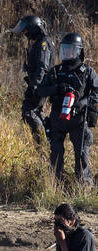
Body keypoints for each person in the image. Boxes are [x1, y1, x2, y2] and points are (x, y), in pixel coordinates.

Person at [35, 33, 97, 185]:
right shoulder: (56, 71)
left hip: (78, 118)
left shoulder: (87, 71)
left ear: (79, 51)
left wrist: (83, 102)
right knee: (56, 154)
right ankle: (55, 187)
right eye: (65, 49)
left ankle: (83, 190)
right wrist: (56, 89)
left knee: (81, 154)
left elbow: (97, 91)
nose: (67, 53)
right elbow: (40, 91)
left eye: (71, 49)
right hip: (57, 117)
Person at [12, 15, 55, 145]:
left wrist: (34, 86)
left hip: (42, 85)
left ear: (33, 28)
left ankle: (42, 144)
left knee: (29, 111)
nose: (25, 33)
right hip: (39, 84)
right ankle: (47, 142)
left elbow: (43, 67)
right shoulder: (38, 42)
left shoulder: (44, 42)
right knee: (37, 112)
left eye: (26, 30)